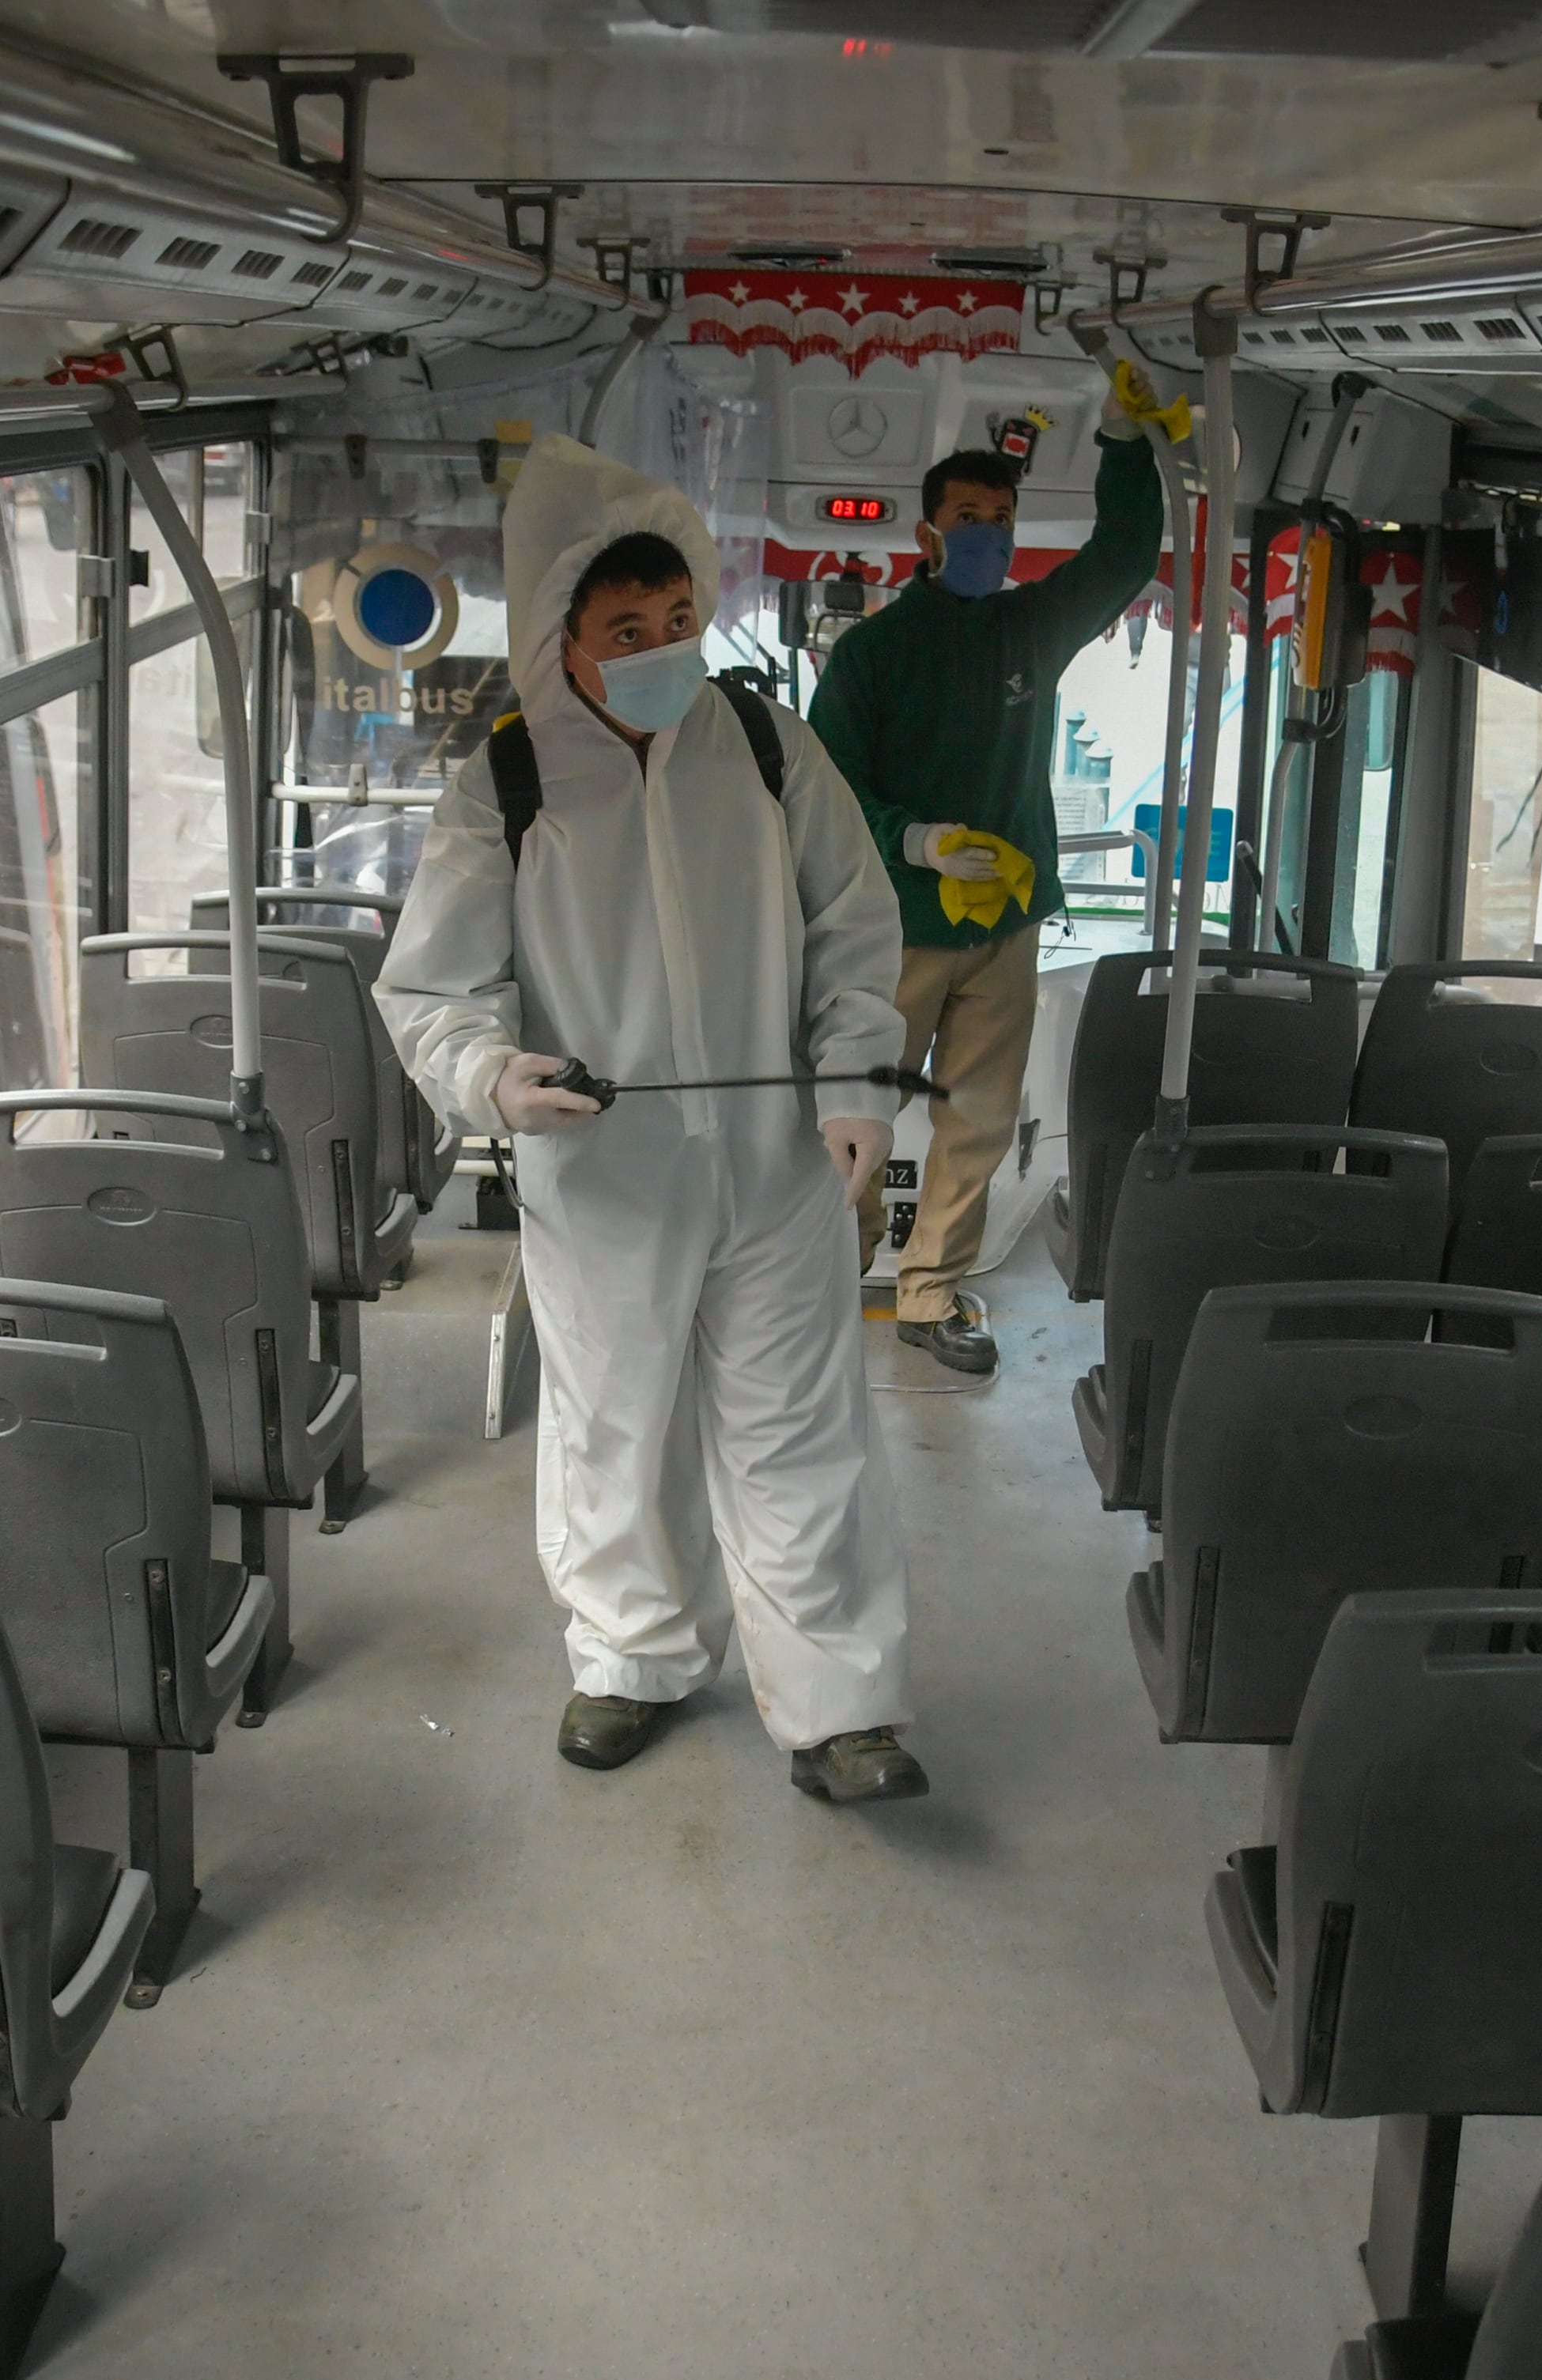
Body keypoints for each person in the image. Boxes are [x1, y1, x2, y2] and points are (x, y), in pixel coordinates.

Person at [375, 438, 926, 1804]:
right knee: (615, 1426)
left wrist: (857, 1080)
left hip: (778, 1165)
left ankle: (840, 1704)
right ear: (562, 639)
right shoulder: (504, 789)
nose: (661, 648)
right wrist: (493, 1076)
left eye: (679, 619)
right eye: (627, 629)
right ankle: (632, 1657)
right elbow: (434, 991)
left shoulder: (760, 743)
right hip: (606, 1178)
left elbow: (854, 926)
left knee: (799, 1429)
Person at [807, 364, 1166, 1373]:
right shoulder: (870, 657)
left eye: (1001, 519)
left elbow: (1123, 555)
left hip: (1002, 925)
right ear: (926, 536)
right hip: (893, 928)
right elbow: (828, 793)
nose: (989, 536)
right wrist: (914, 840)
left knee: (977, 1115)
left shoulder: (1027, 629)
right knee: (862, 1111)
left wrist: (1124, 446)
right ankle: (836, 1274)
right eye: (968, 517)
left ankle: (929, 1293)